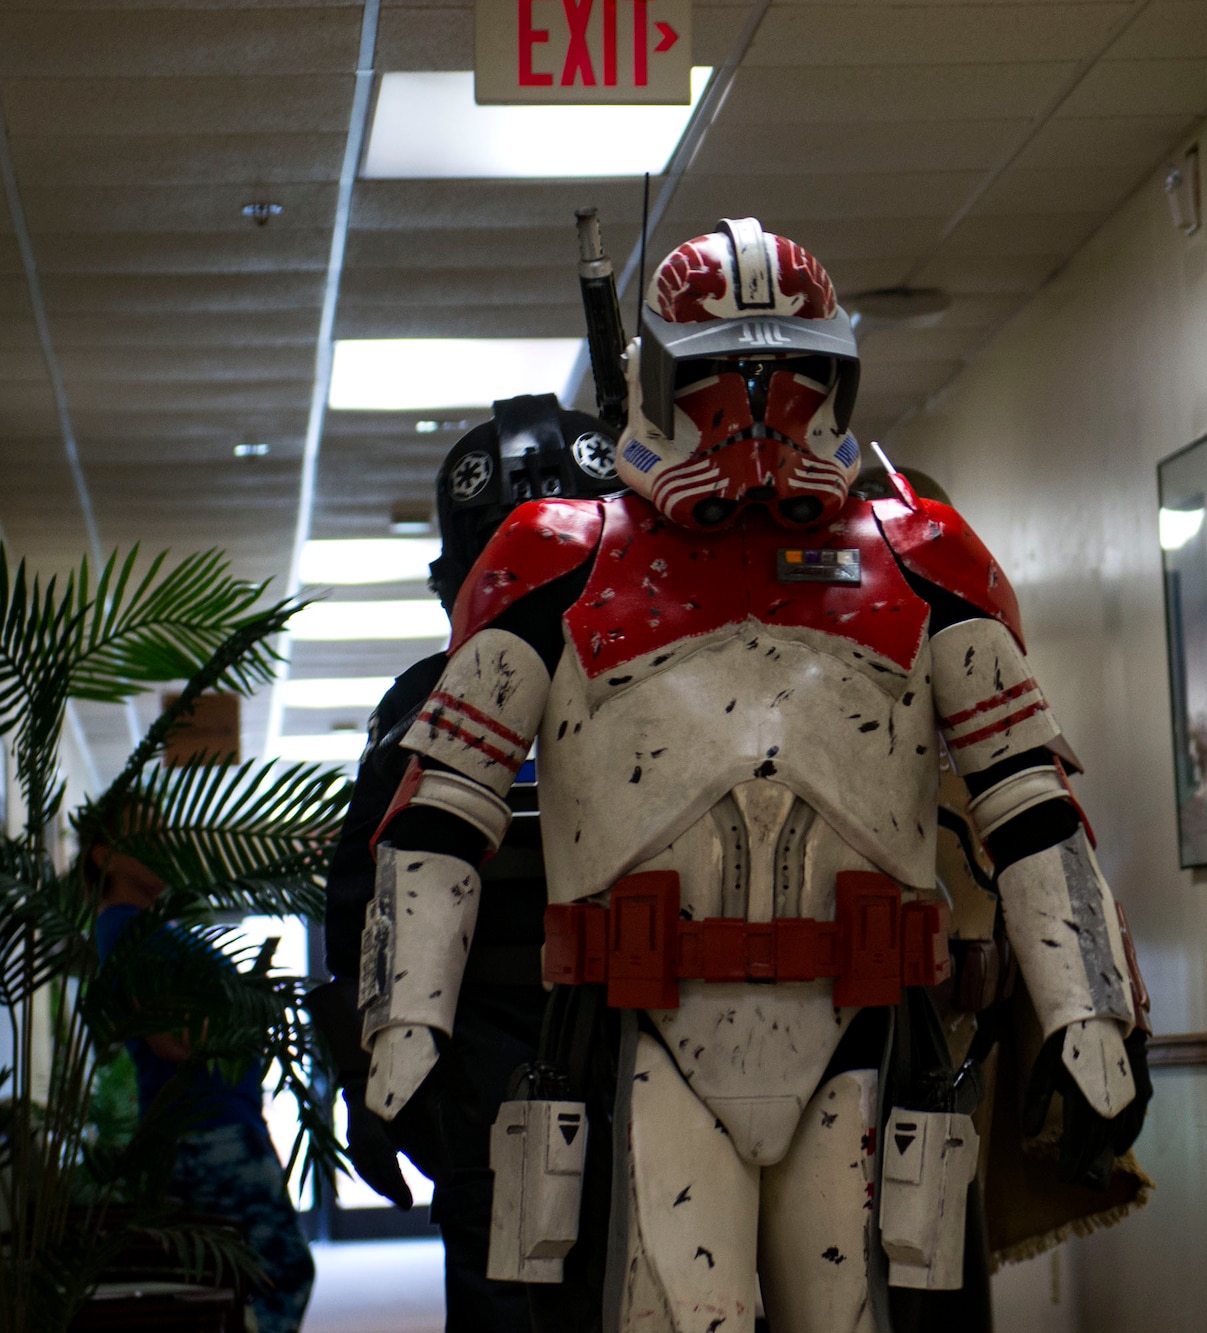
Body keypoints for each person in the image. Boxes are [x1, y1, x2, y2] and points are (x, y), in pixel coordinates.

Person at [357, 218, 1151, 1332]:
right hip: (641, 1029)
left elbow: (1029, 807)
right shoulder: (554, 556)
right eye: (725, 375)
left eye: (786, 373)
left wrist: (1090, 1019)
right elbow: (439, 816)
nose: (755, 411)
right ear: (660, 377)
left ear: (833, 372)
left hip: (866, 1030)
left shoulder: (923, 556)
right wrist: (406, 1030)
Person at [307, 392, 623, 1333]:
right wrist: (371, 1075)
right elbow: (369, 900)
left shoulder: (673, 694)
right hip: (496, 1061)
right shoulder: (425, 701)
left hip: (653, 1041)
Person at [92, 840, 315, 1333]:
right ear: (103, 852)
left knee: (235, 1279)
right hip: (207, 1130)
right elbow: (169, 1035)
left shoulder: (147, 925)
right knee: (282, 1269)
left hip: (212, 1122)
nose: (163, 847)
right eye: (144, 835)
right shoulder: (124, 927)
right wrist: (243, 1018)